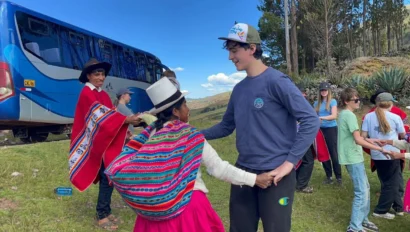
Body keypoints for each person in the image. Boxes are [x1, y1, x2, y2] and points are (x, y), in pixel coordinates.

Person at [105, 78, 276, 232]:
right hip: (188, 208)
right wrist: (255, 179)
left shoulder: (148, 136)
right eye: (185, 105)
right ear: (176, 112)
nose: (188, 110)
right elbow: (218, 168)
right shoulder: (190, 135)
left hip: (153, 214)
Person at [201, 22, 320, 232]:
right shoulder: (238, 90)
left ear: (252, 48)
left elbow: (311, 120)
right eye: (229, 51)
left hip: (276, 176)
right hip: (243, 173)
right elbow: (226, 126)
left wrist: (289, 164)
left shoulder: (277, 82)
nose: (230, 57)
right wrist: (192, 134)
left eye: (234, 50)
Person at [68, 58, 141, 231]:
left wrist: (126, 129)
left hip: (104, 142)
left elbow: (110, 114)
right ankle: (101, 215)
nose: (101, 77)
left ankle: (105, 212)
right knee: (106, 175)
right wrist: (126, 119)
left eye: (103, 74)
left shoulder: (102, 94)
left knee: (109, 176)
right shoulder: (87, 93)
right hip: (93, 143)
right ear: (88, 75)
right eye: (97, 74)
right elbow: (99, 116)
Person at [338, 87, 388, 232]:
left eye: (358, 98)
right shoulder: (350, 116)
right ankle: (354, 227)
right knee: (361, 192)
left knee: (366, 189)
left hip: (352, 157)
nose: (358, 101)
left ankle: (363, 220)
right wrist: (379, 149)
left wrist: (374, 141)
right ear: (347, 101)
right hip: (353, 158)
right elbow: (358, 140)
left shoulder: (344, 114)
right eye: (355, 100)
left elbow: (358, 138)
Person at [361, 92, 406, 219]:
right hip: (392, 153)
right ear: (391, 104)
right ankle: (381, 210)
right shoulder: (395, 117)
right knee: (391, 184)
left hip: (376, 154)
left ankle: (398, 207)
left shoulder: (368, 117)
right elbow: (403, 137)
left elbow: (364, 137)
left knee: (390, 181)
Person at [314, 82, 341, 185]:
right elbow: (314, 116)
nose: (323, 92)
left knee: (333, 153)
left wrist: (321, 118)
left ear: (328, 91)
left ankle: (338, 177)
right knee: (323, 153)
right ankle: (329, 176)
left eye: (325, 90)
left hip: (331, 129)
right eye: (322, 90)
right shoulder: (316, 103)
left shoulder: (333, 101)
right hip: (320, 130)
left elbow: (334, 116)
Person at [295, 84, 315, 194]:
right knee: (308, 161)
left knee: (301, 160)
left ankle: (297, 182)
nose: (303, 95)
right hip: (301, 135)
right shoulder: (300, 105)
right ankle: (301, 186)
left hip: (297, 135)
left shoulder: (291, 103)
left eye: (303, 93)